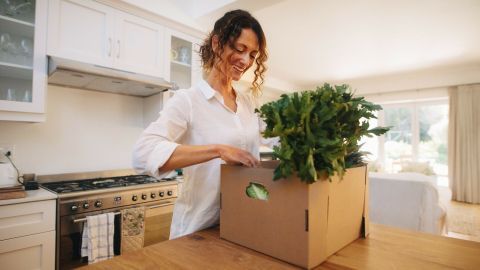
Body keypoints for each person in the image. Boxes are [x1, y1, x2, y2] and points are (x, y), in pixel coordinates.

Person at [132, 9, 275, 239]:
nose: (246, 61)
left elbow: (279, 137)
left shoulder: (248, 104)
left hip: (241, 224)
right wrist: (218, 150)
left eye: (252, 54)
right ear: (217, 44)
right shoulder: (188, 101)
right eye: (239, 49)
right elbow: (142, 154)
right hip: (196, 232)